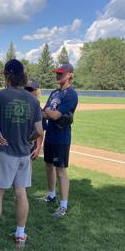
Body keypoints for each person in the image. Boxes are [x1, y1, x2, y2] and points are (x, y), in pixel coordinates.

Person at [0, 59, 43, 249]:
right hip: (23, 153)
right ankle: (20, 236)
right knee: (21, 194)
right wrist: (29, 139)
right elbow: (39, 131)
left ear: (6, 75)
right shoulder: (33, 100)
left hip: (4, 151)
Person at [38, 62, 78, 218]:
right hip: (51, 135)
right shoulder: (54, 93)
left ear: (69, 75)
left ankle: (63, 205)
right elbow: (43, 114)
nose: (57, 75)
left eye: (61, 72)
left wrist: (49, 112)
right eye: (57, 72)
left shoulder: (71, 94)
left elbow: (53, 115)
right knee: (48, 166)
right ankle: (51, 195)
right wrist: (49, 112)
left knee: (60, 170)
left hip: (62, 137)